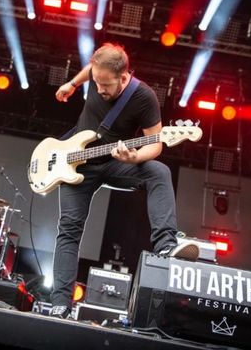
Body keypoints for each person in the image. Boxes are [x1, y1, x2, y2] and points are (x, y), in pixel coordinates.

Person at [50, 43, 199, 319]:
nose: (100, 89)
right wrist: (73, 83)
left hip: (115, 162)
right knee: (69, 230)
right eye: (97, 82)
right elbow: (91, 70)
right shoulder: (97, 74)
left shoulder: (144, 98)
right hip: (75, 164)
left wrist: (134, 157)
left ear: (124, 76)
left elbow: (156, 144)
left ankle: (166, 245)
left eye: (106, 85)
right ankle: (60, 303)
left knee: (159, 171)